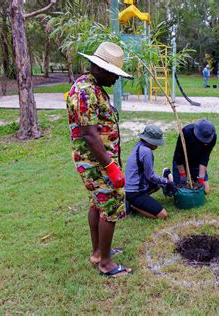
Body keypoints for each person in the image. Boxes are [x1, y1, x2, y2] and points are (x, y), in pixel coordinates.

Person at [66, 41, 133, 278]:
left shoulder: (93, 87)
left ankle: (98, 252)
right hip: (96, 163)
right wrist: (111, 167)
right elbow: (89, 134)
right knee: (110, 206)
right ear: (100, 68)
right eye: (113, 74)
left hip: (99, 161)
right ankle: (105, 263)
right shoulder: (85, 91)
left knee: (97, 203)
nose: (116, 79)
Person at [124, 125, 175, 219]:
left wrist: (163, 182)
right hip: (135, 192)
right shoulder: (146, 151)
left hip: (129, 188)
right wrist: (167, 181)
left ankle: (137, 202)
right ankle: (132, 206)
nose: (157, 145)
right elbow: (150, 176)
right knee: (163, 215)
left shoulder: (139, 145)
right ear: (149, 141)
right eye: (156, 142)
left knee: (157, 185)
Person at [172, 119, 217, 194]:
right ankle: (168, 174)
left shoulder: (212, 137)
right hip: (181, 162)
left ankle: (194, 177)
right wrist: (183, 175)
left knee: (205, 191)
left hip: (197, 163)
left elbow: (205, 158)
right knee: (179, 191)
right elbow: (178, 155)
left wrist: (201, 178)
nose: (205, 144)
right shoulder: (186, 132)